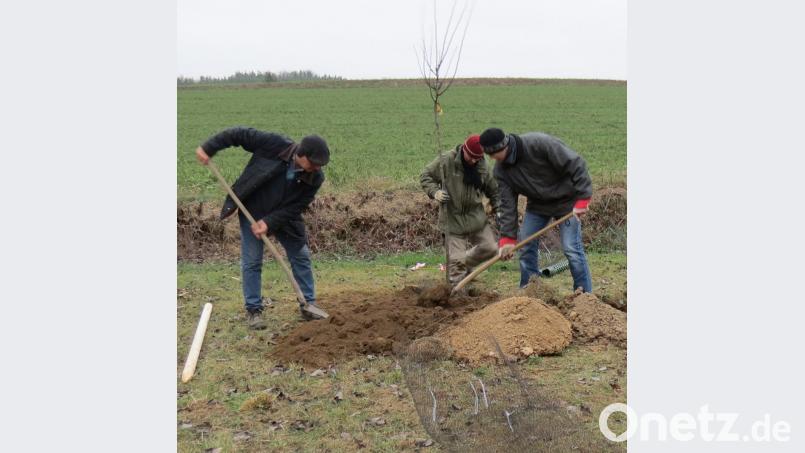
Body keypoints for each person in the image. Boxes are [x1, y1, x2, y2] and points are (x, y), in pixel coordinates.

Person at [195, 127, 330, 329]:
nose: (317, 168)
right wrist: (209, 148)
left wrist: (270, 222)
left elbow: (296, 207)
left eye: (320, 165)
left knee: (300, 256)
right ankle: (254, 310)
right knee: (252, 261)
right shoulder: (274, 144)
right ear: (300, 155)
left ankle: (308, 304)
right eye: (314, 163)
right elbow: (237, 135)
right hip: (252, 210)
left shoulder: (315, 178)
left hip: (285, 218)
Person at [479, 127, 593, 292]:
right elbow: (507, 205)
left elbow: (576, 164)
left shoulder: (538, 144)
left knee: (571, 248)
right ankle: (530, 290)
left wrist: (583, 198)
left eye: (492, 154)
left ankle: (584, 296)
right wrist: (507, 240)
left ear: (502, 147)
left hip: (567, 201)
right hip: (539, 205)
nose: (492, 158)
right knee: (526, 245)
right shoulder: (501, 171)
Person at [420, 135, 500, 285]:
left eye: (478, 158)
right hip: (452, 219)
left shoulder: (482, 167)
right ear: (464, 149)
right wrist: (435, 192)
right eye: (471, 157)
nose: (474, 161)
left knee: (491, 249)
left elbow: (494, 190)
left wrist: (499, 208)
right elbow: (425, 176)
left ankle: (463, 264)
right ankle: (456, 296)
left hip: (475, 218)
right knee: (456, 267)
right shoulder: (446, 161)